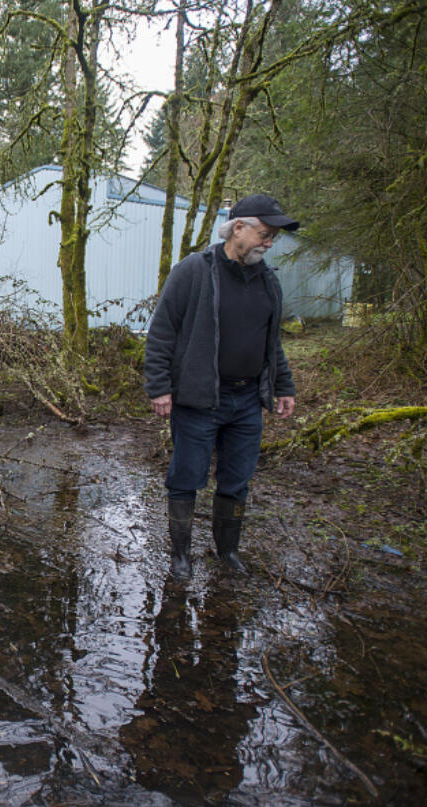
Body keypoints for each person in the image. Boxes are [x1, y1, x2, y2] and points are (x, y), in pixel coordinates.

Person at [143, 193, 298, 580]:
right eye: (264, 233)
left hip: (248, 400)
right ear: (238, 227)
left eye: (274, 236)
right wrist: (159, 387)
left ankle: (227, 553)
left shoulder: (267, 281)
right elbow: (161, 332)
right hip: (199, 399)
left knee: (237, 480)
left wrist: (284, 385)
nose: (269, 241)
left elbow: (271, 341)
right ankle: (181, 557)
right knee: (186, 477)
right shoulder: (195, 271)